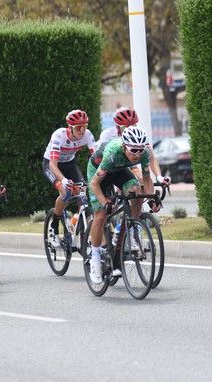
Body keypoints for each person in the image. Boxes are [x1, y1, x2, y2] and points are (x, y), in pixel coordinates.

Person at [87, 126, 160, 284]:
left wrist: (152, 198)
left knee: (137, 193)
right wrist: (104, 202)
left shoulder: (144, 154)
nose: (137, 154)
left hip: (119, 170)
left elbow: (147, 179)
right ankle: (94, 257)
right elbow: (94, 183)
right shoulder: (112, 153)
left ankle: (129, 228)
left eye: (140, 150)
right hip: (98, 172)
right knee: (101, 214)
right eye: (133, 150)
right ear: (124, 146)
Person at [42, 109, 96, 248]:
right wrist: (64, 181)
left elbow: (96, 159)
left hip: (70, 164)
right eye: (79, 127)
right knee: (66, 192)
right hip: (52, 164)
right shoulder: (59, 135)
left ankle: (79, 225)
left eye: (85, 126)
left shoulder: (87, 135)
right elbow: (53, 165)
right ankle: (53, 227)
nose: (82, 130)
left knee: (82, 191)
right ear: (70, 127)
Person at [97, 107, 167, 185]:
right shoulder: (107, 134)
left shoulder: (138, 134)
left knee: (141, 182)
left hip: (130, 164)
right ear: (117, 127)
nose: (130, 129)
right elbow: (103, 158)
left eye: (133, 126)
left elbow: (151, 158)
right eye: (125, 127)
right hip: (112, 164)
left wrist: (159, 177)